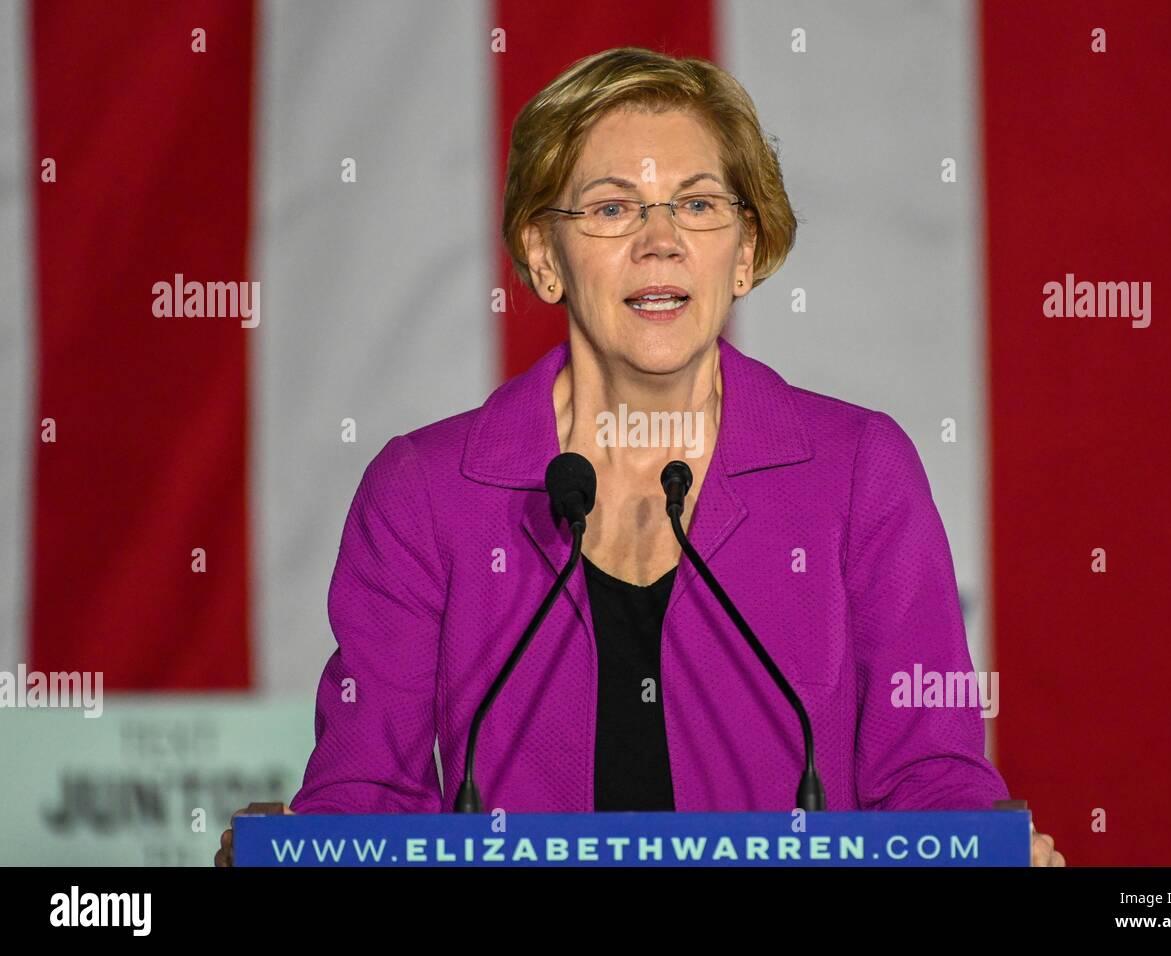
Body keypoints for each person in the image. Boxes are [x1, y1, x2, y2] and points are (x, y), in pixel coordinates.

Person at [216, 46, 1063, 867]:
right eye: (613, 209)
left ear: (748, 251)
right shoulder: (424, 494)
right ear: (545, 258)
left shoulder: (858, 473)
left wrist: (984, 852)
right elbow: (368, 797)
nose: (660, 241)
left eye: (697, 205)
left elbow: (928, 775)